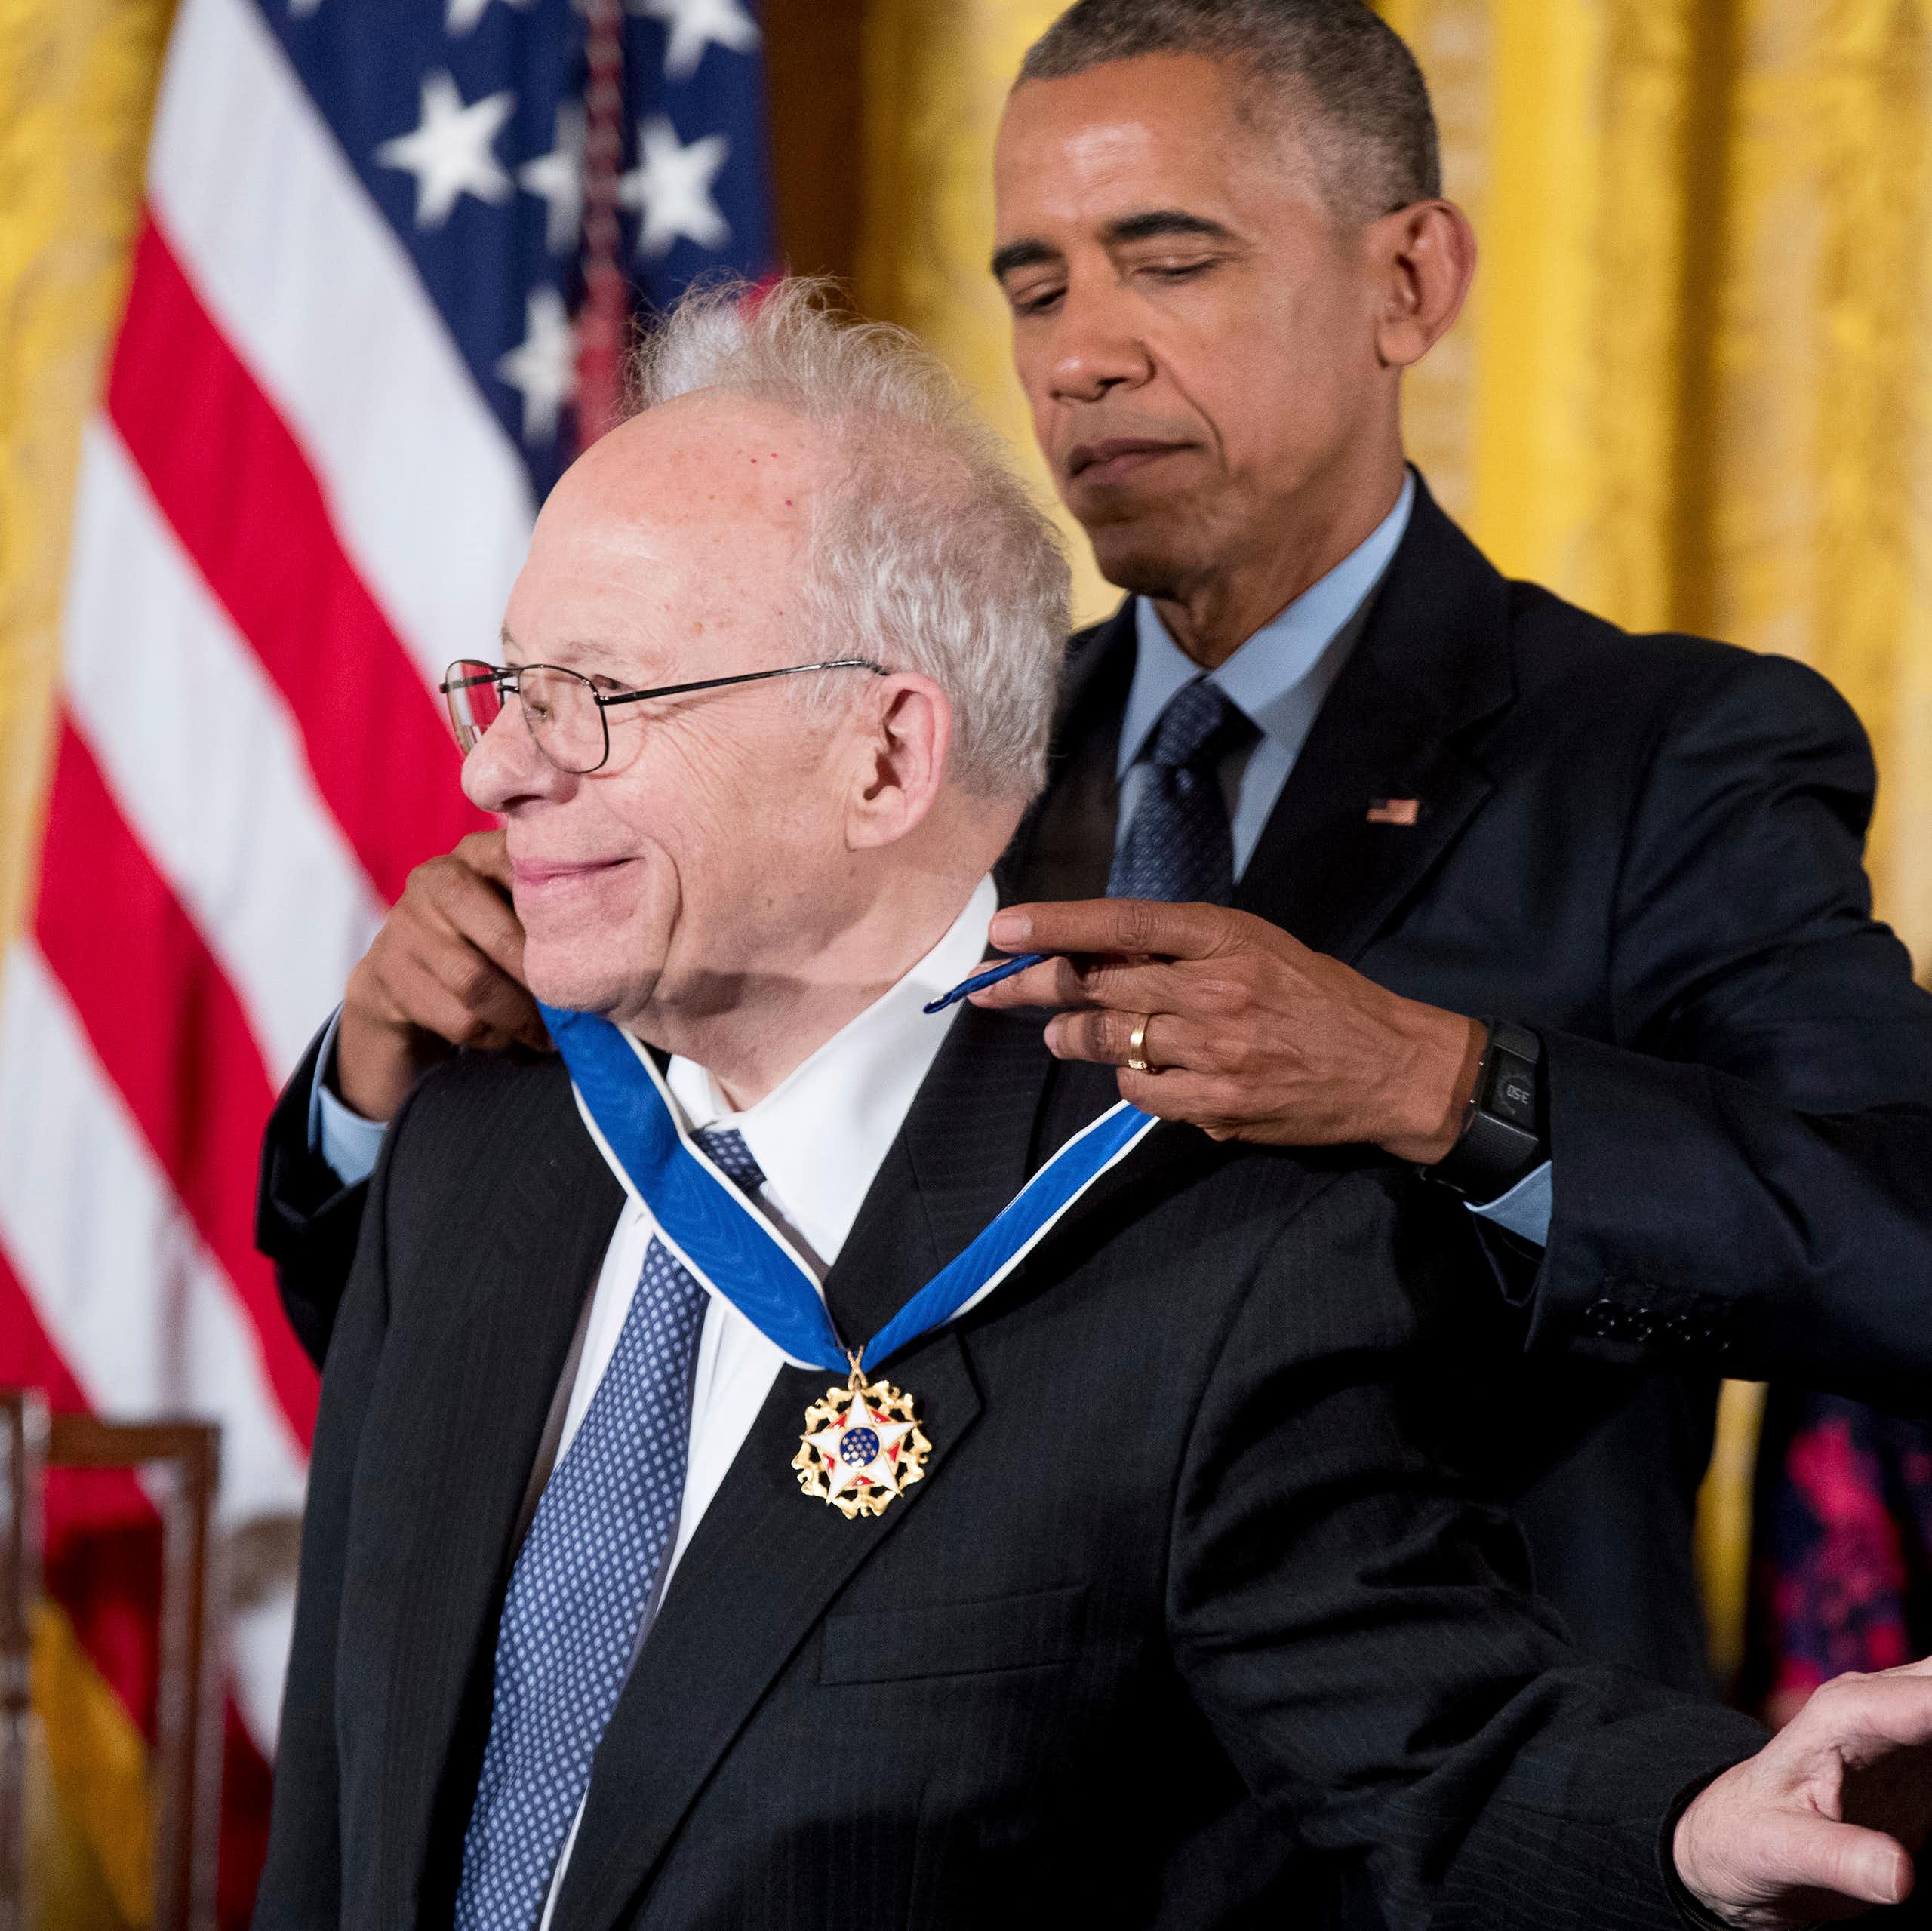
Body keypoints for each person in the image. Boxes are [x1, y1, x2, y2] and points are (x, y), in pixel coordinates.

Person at [259, 0, 1932, 1698]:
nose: (1079, 354)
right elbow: (514, 1358)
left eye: (1169, 260)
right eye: (1037, 284)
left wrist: (1441, 1082)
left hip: (1435, 1808)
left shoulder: (1662, 755)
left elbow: (1902, 1244)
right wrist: (362, 1094)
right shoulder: (896, 757)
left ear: (1407, 281)